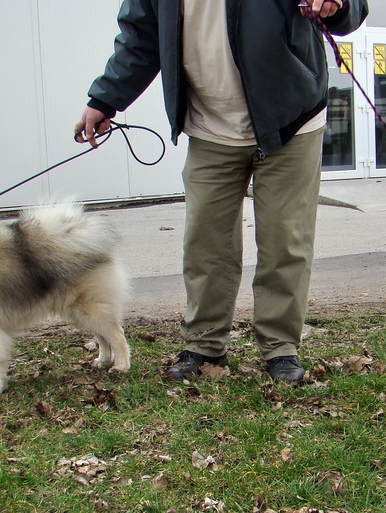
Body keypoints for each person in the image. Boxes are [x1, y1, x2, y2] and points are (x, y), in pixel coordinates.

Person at [75, 0, 369, 385]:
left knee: (286, 239)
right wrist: (106, 99)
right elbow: (141, 38)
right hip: (209, 122)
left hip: (290, 118)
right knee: (205, 242)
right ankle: (203, 343)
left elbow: (350, 11)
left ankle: (280, 346)